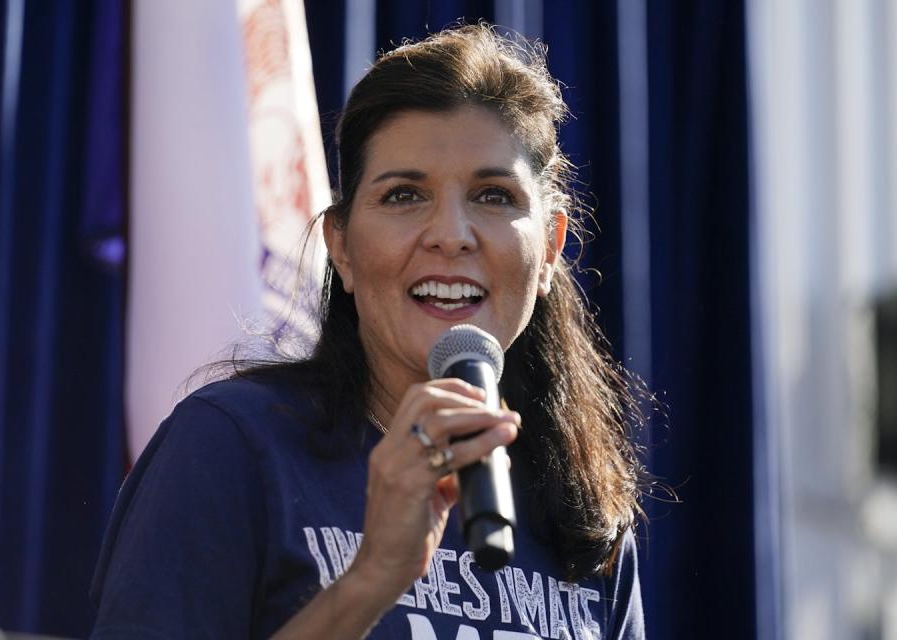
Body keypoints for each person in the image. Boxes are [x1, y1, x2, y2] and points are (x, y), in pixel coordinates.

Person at [90, 24, 647, 639]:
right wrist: (374, 577)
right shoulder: (234, 446)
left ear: (548, 249)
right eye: (405, 194)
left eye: (493, 195)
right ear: (342, 249)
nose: (451, 233)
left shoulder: (584, 516)